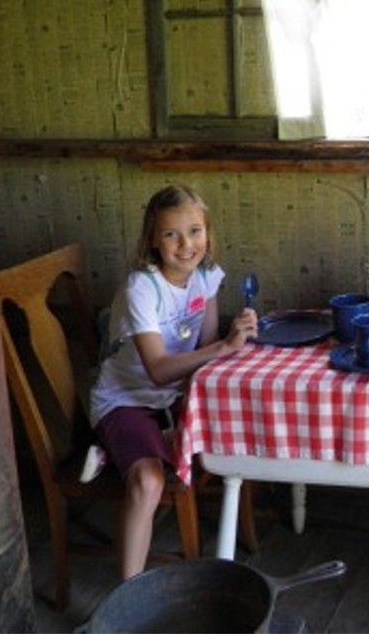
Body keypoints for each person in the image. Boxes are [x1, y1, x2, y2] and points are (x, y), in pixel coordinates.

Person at [86, 183, 259, 580]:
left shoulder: (206, 278)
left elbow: (206, 347)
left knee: (238, 430)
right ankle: (128, 595)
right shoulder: (141, 288)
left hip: (177, 397)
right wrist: (223, 348)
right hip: (126, 399)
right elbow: (160, 369)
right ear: (153, 239)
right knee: (147, 482)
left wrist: (232, 340)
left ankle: (127, 450)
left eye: (195, 231)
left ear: (208, 233)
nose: (186, 245)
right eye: (171, 234)